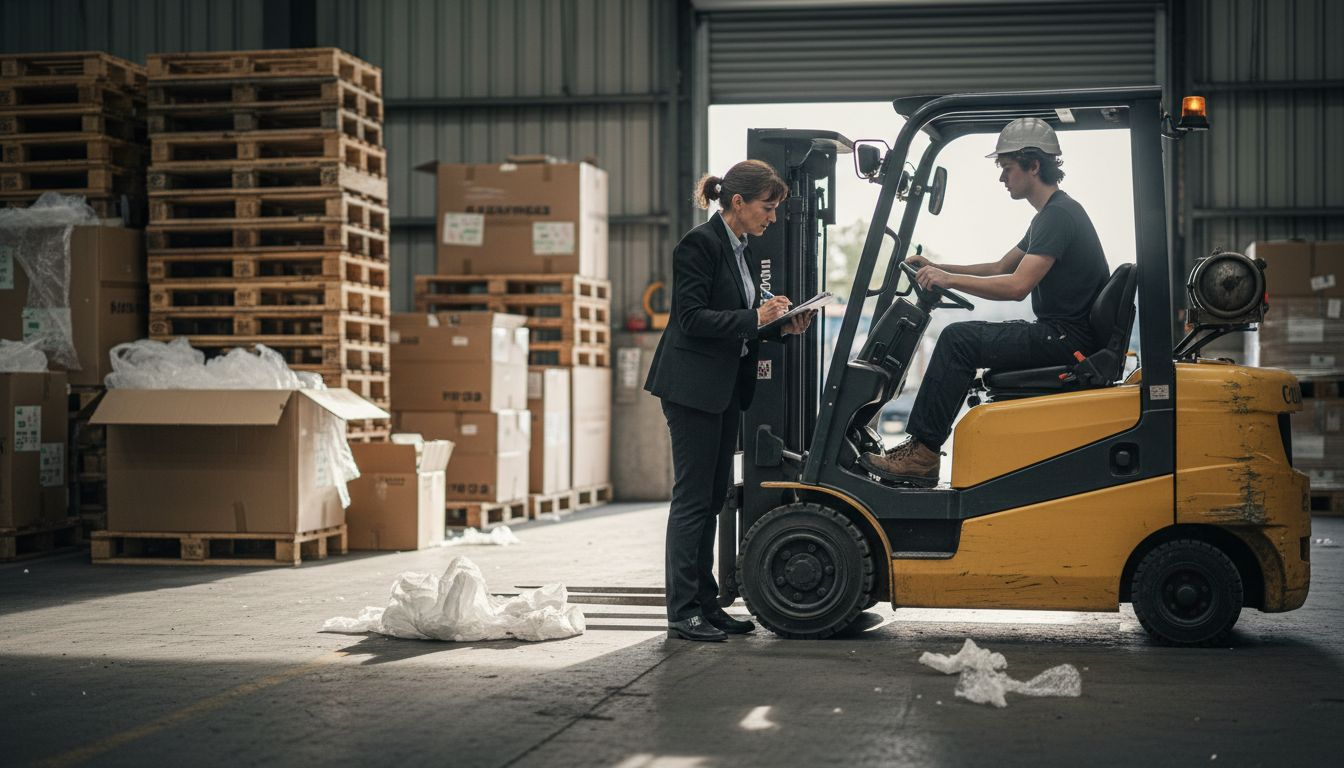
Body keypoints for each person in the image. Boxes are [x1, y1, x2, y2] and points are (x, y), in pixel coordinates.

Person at [860, 117, 1109, 487]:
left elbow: (1016, 286)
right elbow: (999, 267)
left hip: (1065, 340)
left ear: (1034, 165)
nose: (1002, 178)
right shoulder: (1051, 215)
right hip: (1062, 335)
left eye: (1007, 169)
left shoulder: (1058, 216)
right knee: (961, 338)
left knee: (957, 340)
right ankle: (921, 450)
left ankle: (923, 454)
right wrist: (937, 267)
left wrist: (947, 279)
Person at [644, 160, 815, 642]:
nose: (773, 218)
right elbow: (693, 319)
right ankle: (682, 611)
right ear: (737, 203)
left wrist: (777, 325)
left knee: (714, 496)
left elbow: (736, 320)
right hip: (692, 388)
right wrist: (754, 315)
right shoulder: (699, 244)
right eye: (768, 207)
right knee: (693, 500)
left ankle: (706, 603)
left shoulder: (738, 247)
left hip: (718, 387)